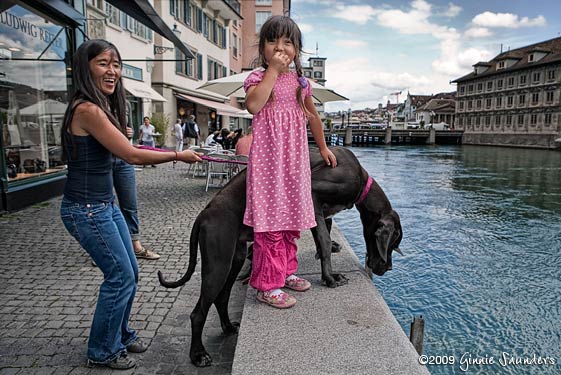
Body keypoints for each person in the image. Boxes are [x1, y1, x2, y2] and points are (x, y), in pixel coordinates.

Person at [59, 39, 201, 370]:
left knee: (131, 272)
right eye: (103, 63)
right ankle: (101, 350)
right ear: (86, 66)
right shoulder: (87, 110)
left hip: (104, 206)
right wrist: (179, 155)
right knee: (120, 276)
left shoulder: (98, 108)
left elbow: (123, 146)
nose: (112, 71)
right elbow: (130, 155)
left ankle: (119, 336)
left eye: (116, 64)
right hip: (86, 211)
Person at [244, 16, 337, 309]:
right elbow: (253, 105)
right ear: (263, 48)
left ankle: (284, 271)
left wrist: (323, 148)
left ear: (297, 49)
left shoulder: (301, 83)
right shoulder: (258, 78)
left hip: (294, 163)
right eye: (273, 41)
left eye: (288, 42)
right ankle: (266, 285)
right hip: (268, 165)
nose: (280, 47)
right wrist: (272, 69)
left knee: (290, 220)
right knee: (271, 223)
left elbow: (313, 118)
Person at [113, 125, 161, 261]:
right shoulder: (94, 107)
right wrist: (178, 155)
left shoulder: (124, 104)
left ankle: (135, 246)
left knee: (130, 205)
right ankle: (105, 250)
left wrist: (129, 132)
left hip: (124, 159)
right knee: (104, 206)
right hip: (103, 158)